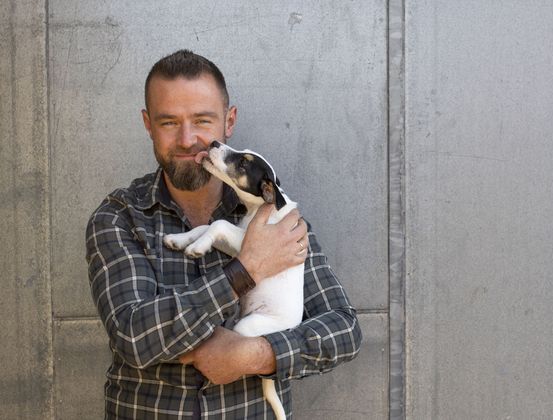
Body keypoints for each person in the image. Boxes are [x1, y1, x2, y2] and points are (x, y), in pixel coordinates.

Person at [86, 49, 361, 419]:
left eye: (202, 120)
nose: (187, 140)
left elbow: (344, 331)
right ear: (148, 124)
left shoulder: (280, 220)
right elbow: (134, 338)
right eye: (169, 122)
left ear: (228, 122)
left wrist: (256, 354)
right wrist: (246, 269)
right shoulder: (119, 217)